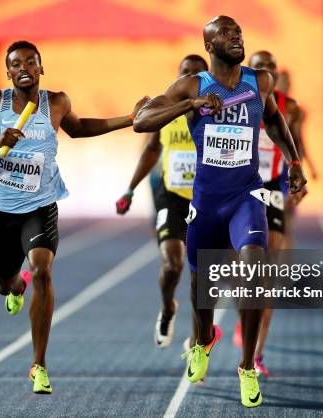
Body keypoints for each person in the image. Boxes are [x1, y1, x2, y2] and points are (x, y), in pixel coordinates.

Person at [133, 16, 306, 408]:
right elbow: (142, 121)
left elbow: (275, 121)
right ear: (209, 45)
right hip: (206, 202)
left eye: (239, 33)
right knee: (201, 289)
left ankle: (246, 366)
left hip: (245, 196)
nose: (237, 38)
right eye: (227, 34)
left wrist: (294, 163)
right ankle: (202, 340)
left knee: (255, 269)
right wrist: (190, 105)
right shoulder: (193, 85)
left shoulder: (259, 81)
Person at [0, 40, 148, 395]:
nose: (24, 66)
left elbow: (80, 128)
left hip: (42, 207)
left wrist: (130, 119)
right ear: (8, 72)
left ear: (41, 67)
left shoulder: (56, 102)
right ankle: (16, 286)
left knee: (43, 270)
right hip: (5, 212)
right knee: (6, 283)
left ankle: (39, 364)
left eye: (31, 60)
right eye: (16, 63)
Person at [115, 54, 208, 348]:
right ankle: (168, 307)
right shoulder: (165, 109)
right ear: (178, 78)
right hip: (172, 195)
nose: (190, 78)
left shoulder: (217, 111)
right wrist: (130, 189)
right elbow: (152, 150)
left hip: (207, 198)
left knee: (202, 276)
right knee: (172, 265)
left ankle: (198, 340)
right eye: (185, 73)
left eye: (197, 74)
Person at [231, 50, 305, 378]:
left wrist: (297, 170)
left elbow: (294, 141)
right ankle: (243, 313)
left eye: (269, 68)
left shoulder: (288, 107)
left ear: (274, 73)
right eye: (258, 67)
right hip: (242, 184)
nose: (264, 72)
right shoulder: (238, 99)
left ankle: (256, 354)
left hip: (273, 186)